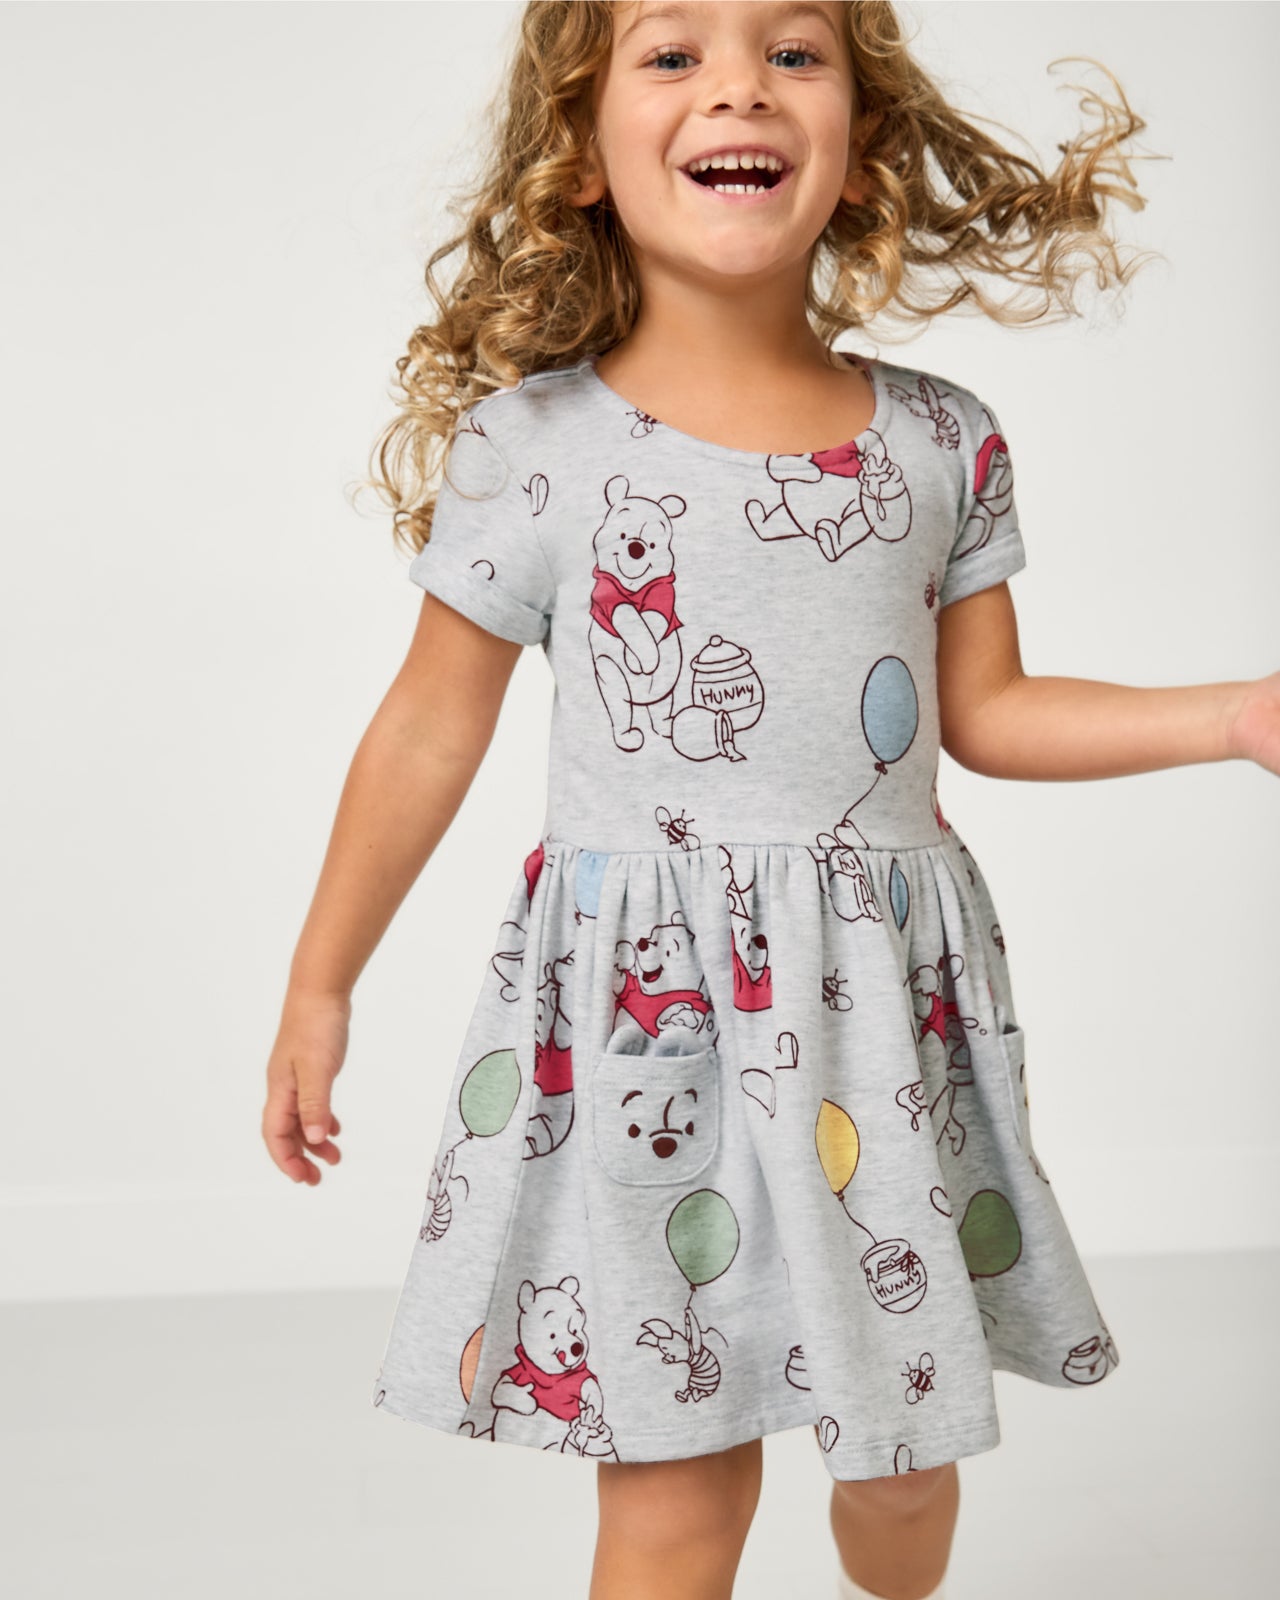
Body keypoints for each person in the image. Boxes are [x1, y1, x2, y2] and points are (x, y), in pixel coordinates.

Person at [260, 4, 1280, 1597]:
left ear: (859, 148)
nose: (738, 83)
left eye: (793, 53)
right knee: (671, 1503)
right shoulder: (535, 447)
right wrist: (322, 982)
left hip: (870, 1025)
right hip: (647, 1029)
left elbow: (988, 713)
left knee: (906, 1481)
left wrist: (1232, 715)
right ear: (580, 152)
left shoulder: (941, 440)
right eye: (674, 55)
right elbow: (426, 730)